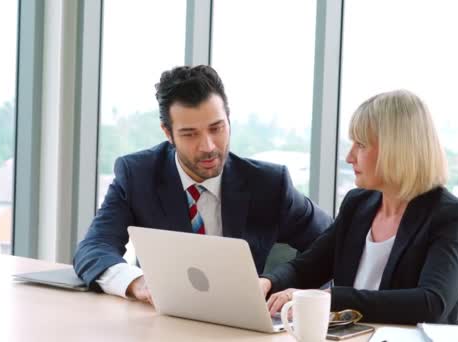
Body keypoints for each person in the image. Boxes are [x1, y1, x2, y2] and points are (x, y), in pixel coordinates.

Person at [73, 65, 332, 304]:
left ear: (229, 121)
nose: (208, 146)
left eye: (216, 128)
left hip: (242, 324)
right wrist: (137, 283)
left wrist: (283, 283)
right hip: (161, 323)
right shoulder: (138, 175)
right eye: (190, 134)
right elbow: (94, 248)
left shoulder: (269, 184)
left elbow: (332, 242)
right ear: (168, 133)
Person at [259, 90, 458, 324]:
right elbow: (309, 266)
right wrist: (269, 281)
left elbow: (431, 303)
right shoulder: (357, 204)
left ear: (396, 150)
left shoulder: (450, 215)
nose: (349, 157)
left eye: (360, 145)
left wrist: (331, 298)